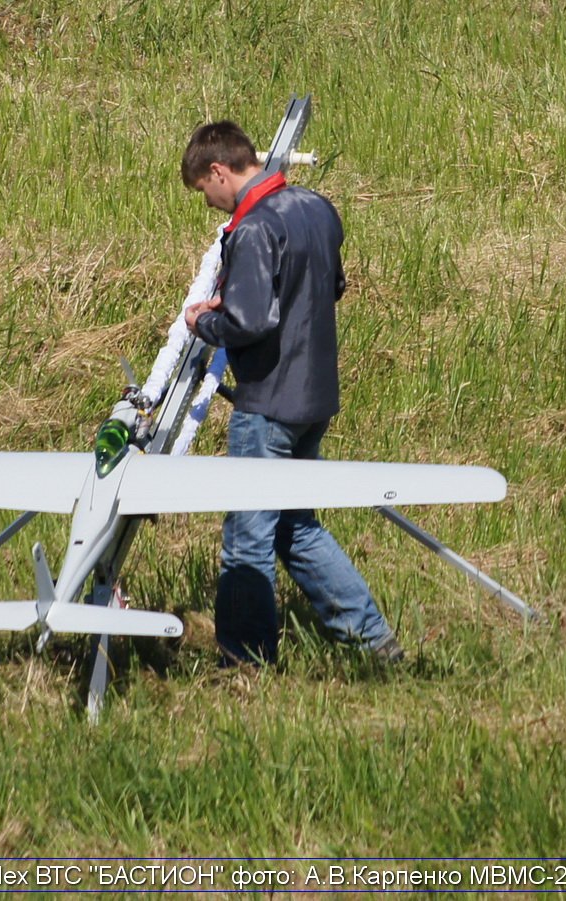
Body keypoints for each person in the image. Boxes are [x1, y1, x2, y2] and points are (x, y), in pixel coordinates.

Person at [180, 121, 405, 666]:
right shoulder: (315, 207)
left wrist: (204, 321)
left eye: (203, 192)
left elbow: (251, 321)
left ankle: (244, 660)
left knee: (248, 539)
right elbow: (333, 287)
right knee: (295, 527)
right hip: (315, 396)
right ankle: (373, 641)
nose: (208, 204)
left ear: (219, 172)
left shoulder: (254, 228)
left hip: (269, 404)